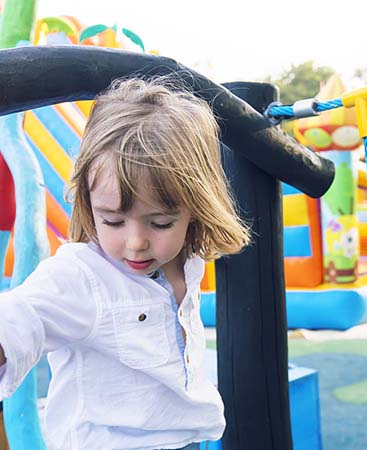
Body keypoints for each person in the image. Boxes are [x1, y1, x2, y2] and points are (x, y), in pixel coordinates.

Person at [0, 77, 251, 450]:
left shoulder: (185, 258)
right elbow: (24, 315)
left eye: (160, 222)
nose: (135, 243)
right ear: (88, 203)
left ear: (195, 210)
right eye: (113, 221)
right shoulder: (82, 275)